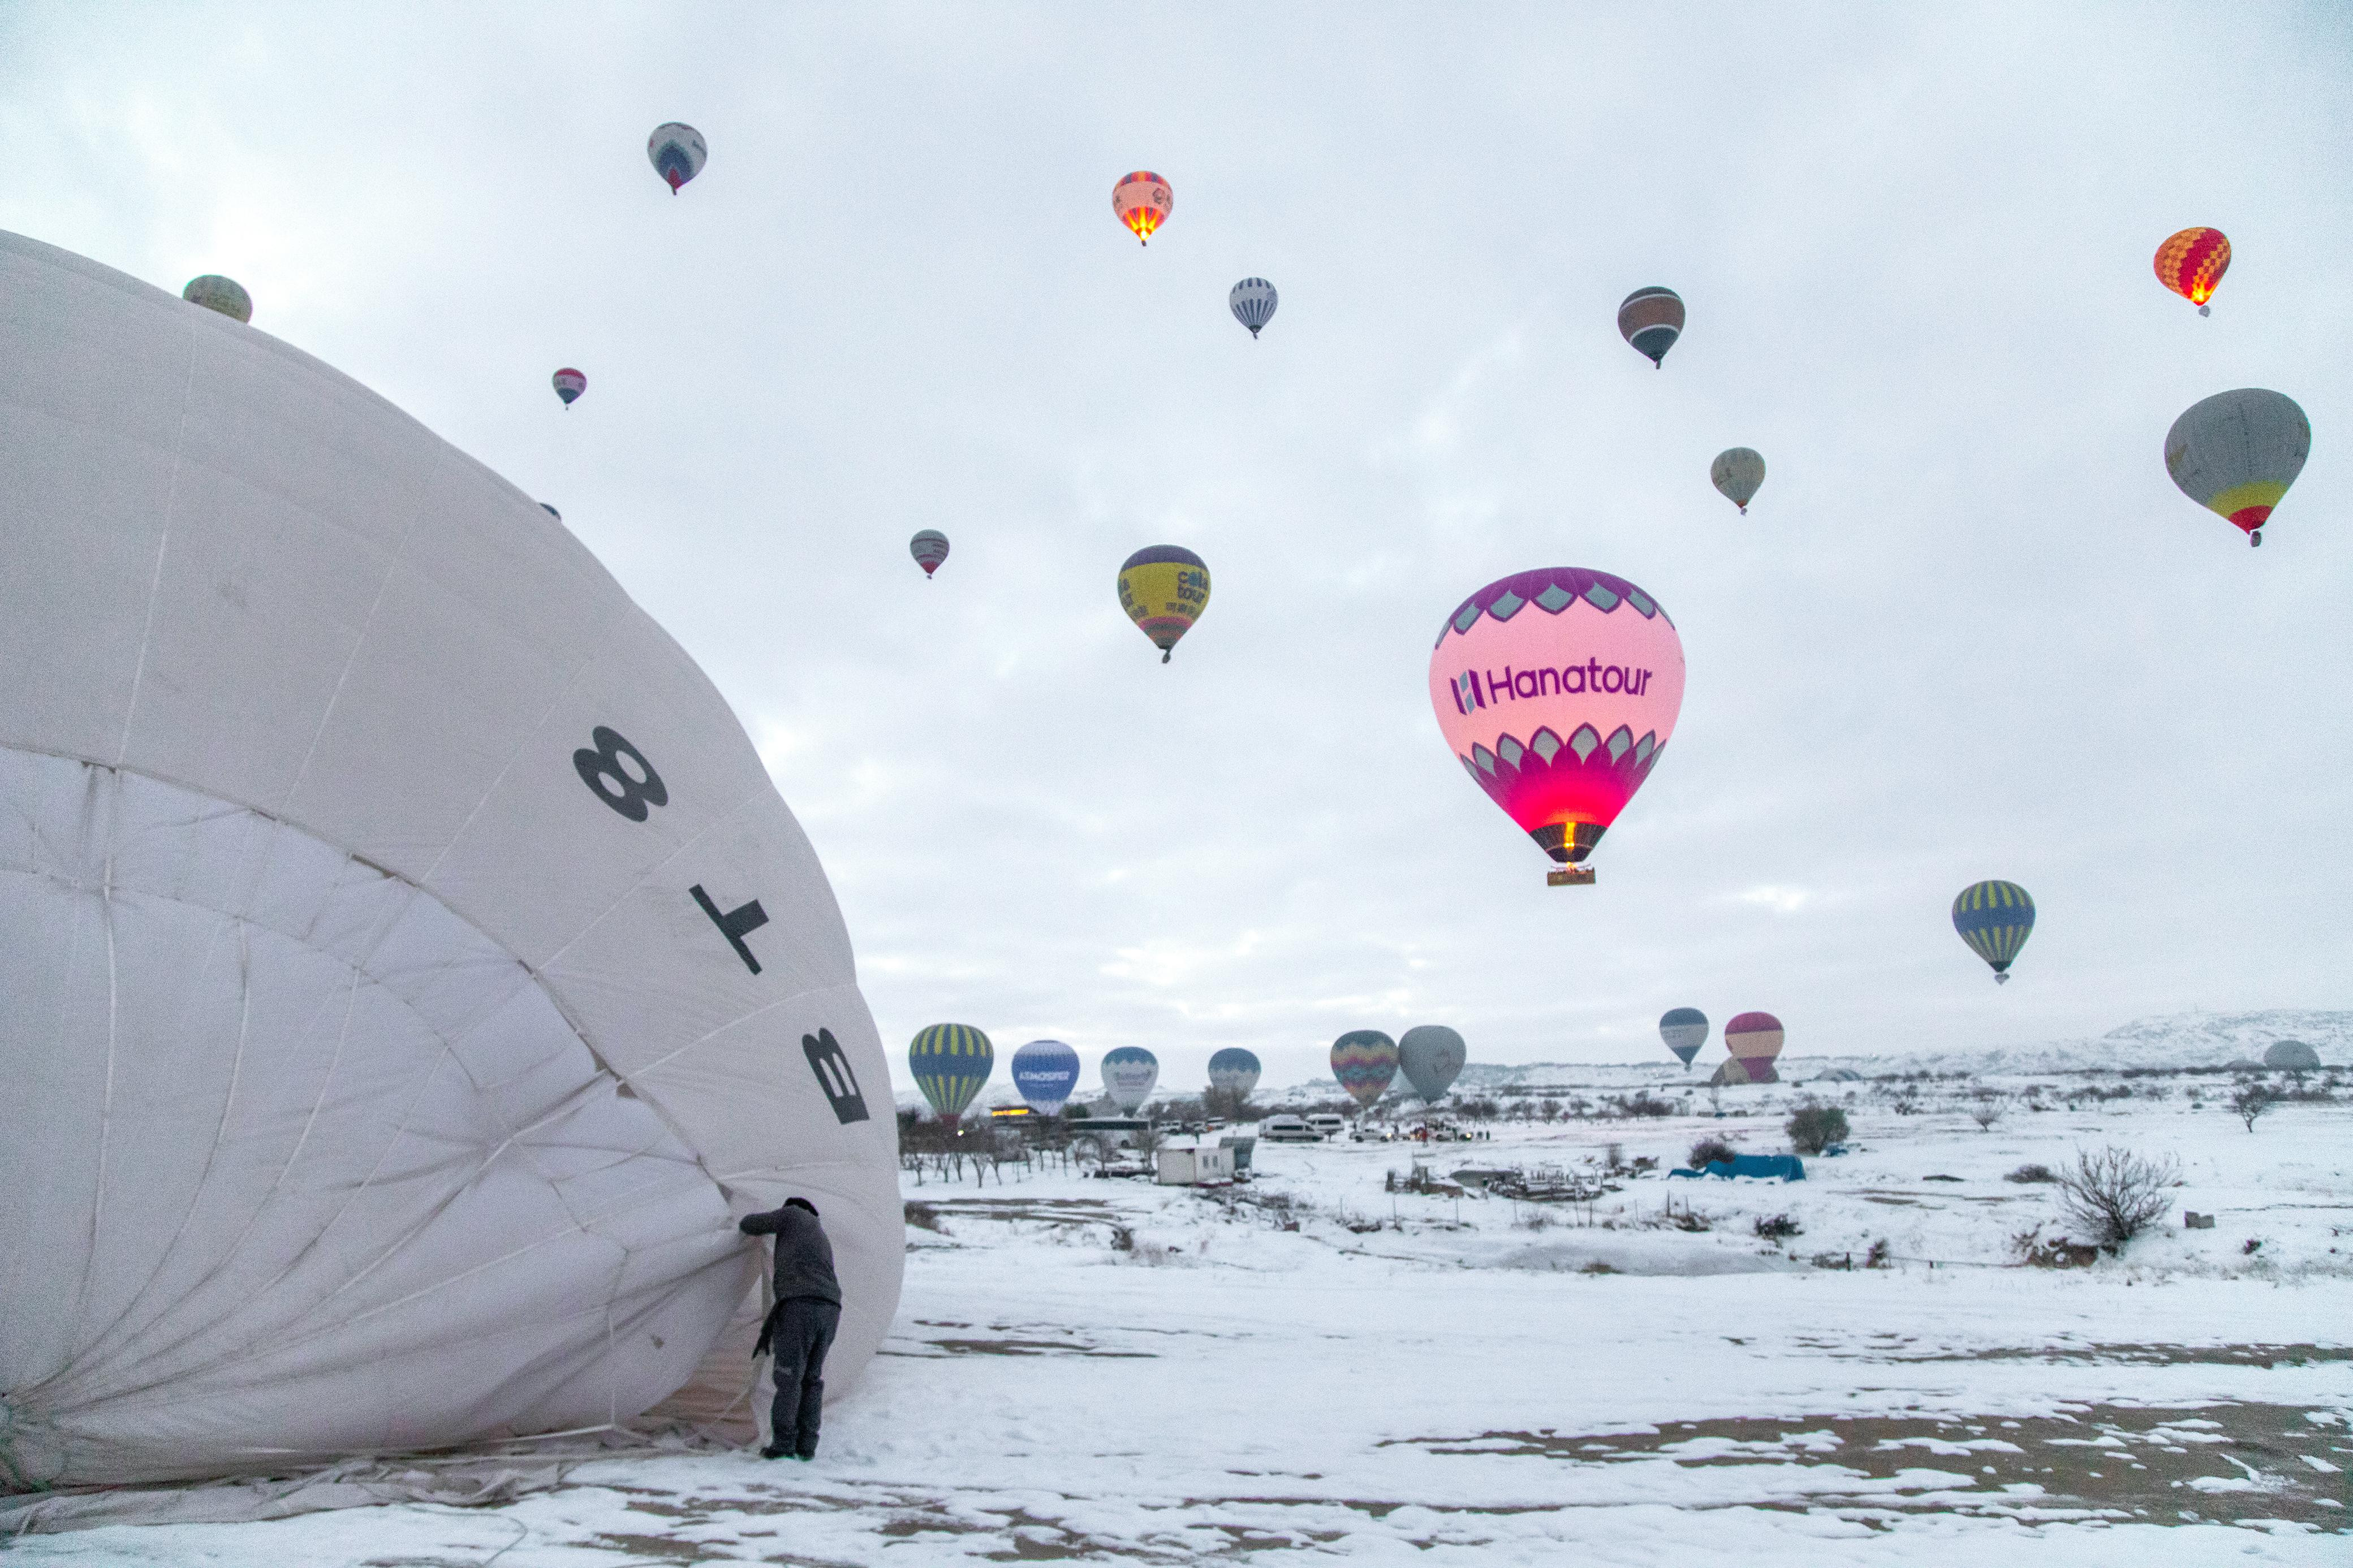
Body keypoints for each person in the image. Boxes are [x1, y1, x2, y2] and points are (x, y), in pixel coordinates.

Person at [738, 1196, 842, 1461]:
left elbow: (751, 1224)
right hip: (830, 1309)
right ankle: (807, 1445)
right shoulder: (820, 1235)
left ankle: (783, 1444)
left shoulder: (793, 1215)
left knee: (789, 1378)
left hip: (801, 1307)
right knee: (812, 1379)